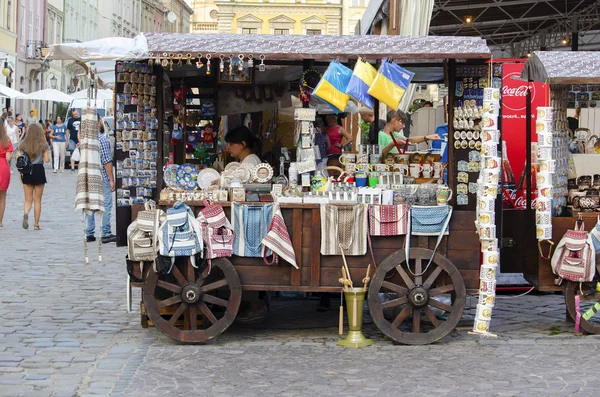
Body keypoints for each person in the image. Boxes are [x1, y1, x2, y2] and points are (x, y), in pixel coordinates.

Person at [85, 117, 116, 243]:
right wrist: (111, 179)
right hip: (101, 176)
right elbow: (106, 161)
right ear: (97, 123)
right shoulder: (101, 139)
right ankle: (105, 232)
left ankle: (89, 232)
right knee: (106, 204)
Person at [18, 124, 50, 230]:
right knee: (37, 200)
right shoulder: (43, 144)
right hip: (38, 170)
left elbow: (19, 160)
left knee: (28, 199)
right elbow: (47, 160)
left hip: (27, 171)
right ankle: (36, 224)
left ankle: (26, 213)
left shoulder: (23, 144)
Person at [0, 121, 14, 227]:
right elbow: (8, 157)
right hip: (3, 167)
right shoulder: (6, 140)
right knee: (2, 196)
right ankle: (0, 221)